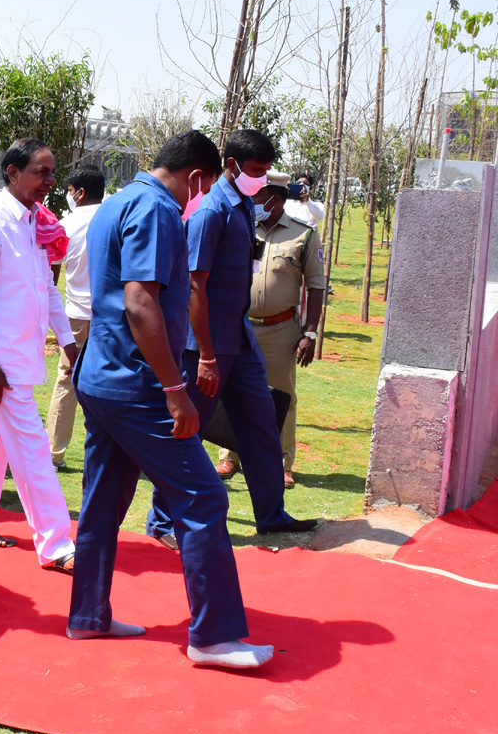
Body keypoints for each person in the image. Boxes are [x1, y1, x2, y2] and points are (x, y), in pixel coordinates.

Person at [68, 129, 274, 668]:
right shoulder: (159, 207)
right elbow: (140, 304)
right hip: (137, 385)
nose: (195, 201)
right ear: (198, 177)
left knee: (102, 500)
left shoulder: (113, 203)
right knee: (204, 499)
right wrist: (175, 389)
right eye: (198, 191)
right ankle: (214, 637)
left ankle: (88, 615)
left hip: (101, 376)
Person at [145, 129, 317, 548]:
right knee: (188, 428)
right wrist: (205, 354)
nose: (262, 179)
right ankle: (162, 520)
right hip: (206, 346)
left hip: (240, 340)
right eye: (255, 171)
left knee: (260, 424)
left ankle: (271, 515)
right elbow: (194, 286)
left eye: (265, 172)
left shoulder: (242, 206)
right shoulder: (210, 211)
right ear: (231, 166)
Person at [0, 139, 78, 572]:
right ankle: (57, 542)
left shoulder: (35, 222)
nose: (49, 181)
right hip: (0, 362)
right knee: (32, 447)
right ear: (12, 172)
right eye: (41, 171)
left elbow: (45, 288)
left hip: (22, 355)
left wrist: (68, 340)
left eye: (52, 172)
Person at [217, 171, 327, 488]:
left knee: (281, 397)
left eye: (258, 195)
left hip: (281, 331)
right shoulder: (242, 228)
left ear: (275, 199)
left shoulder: (303, 234)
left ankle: (281, 462)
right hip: (240, 326)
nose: (252, 200)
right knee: (233, 392)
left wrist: (309, 332)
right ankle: (230, 457)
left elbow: (317, 286)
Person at [46, 164, 106, 469]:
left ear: (79, 193)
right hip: (110, 317)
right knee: (108, 382)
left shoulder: (65, 225)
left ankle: (54, 452)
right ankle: (108, 452)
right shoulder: (114, 219)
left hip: (75, 316)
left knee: (66, 381)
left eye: (69, 192)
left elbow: (50, 277)